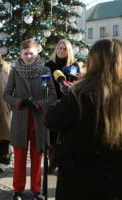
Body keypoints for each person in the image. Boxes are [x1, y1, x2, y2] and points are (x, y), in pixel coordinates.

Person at [45, 39, 122, 200]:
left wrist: (55, 106)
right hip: (119, 182)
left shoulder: (81, 93)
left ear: (93, 60)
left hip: (79, 180)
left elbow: (52, 121)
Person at [3, 39, 57, 200]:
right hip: (21, 120)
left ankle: (36, 189)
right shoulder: (15, 71)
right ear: (20, 53)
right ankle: (17, 189)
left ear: (37, 52)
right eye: (25, 53)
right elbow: (6, 94)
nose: (28, 56)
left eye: (31, 53)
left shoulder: (45, 69)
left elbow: (53, 95)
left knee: (37, 156)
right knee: (19, 157)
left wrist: (40, 104)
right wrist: (19, 102)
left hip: (39, 120)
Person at [45, 39, 81, 174]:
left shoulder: (74, 65)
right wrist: (52, 101)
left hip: (69, 103)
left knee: (66, 136)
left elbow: (77, 84)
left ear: (69, 51)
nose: (61, 51)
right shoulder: (48, 65)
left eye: (64, 49)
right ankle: (52, 161)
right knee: (52, 136)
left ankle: (63, 161)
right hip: (52, 104)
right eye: (59, 48)